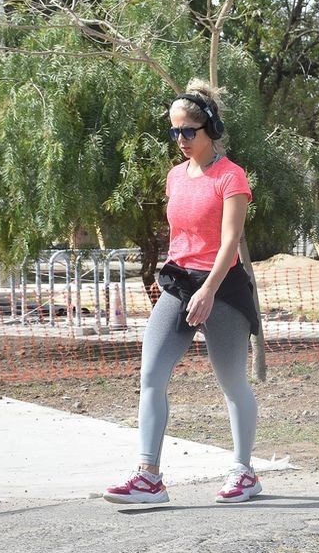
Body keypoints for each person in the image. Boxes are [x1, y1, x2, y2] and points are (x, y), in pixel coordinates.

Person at [104, 80, 263, 505]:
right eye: (174, 132)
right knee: (151, 374)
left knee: (232, 382)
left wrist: (209, 290)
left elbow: (230, 242)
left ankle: (244, 471)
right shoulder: (175, 176)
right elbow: (181, 234)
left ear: (210, 127)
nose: (180, 140)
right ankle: (149, 477)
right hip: (179, 281)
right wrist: (179, 282)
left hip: (222, 286)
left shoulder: (231, 177)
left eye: (188, 132)